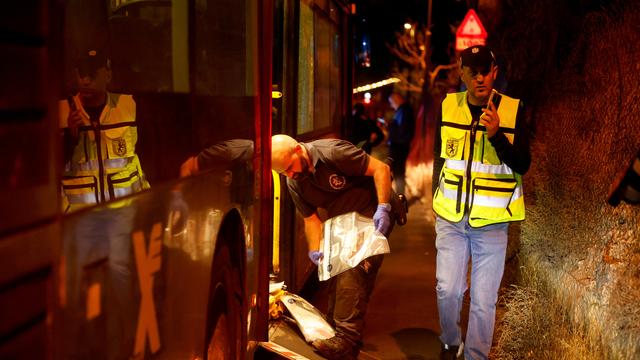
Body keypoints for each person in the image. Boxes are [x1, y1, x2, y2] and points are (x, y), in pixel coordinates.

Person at [431, 45, 531, 360]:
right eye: (472, 72)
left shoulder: (512, 110)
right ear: (461, 73)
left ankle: (476, 356)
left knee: (484, 300)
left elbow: (523, 163)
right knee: (448, 289)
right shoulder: (449, 107)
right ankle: (449, 341)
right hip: (451, 219)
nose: (480, 79)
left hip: (492, 223)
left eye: (485, 72)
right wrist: (437, 198)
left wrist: (497, 135)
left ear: (495, 72)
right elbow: (440, 159)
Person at [58, 48, 149, 359]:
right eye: (80, 71)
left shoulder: (129, 106)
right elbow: (45, 172)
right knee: (82, 293)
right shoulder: (61, 112)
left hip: (122, 217)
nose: (84, 79)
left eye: (92, 71)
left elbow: (145, 156)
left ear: (107, 73)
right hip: (80, 220)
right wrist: (68, 138)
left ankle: (125, 347)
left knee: (123, 281)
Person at [271, 135, 394, 360]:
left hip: (370, 212)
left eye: (290, 167)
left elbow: (381, 169)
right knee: (336, 275)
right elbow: (311, 220)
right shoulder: (294, 183)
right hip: (343, 223)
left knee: (353, 269)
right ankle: (338, 335)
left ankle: (346, 339)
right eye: (283, 173)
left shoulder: (333, 153)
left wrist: (384, 207)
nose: (290, 175)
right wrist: (315, 248)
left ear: (299, 150)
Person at [387, 92, 415, 195]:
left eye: (391, 102)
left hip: (398, 147)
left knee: (398, 173)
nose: (391, 105)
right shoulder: (403, 110)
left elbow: (402, 129)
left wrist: (391, 126)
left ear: (396, 99)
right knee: (397, 172)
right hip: (398, 145)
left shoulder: (405, 110)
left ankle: (400, 197)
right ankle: (398, 196)